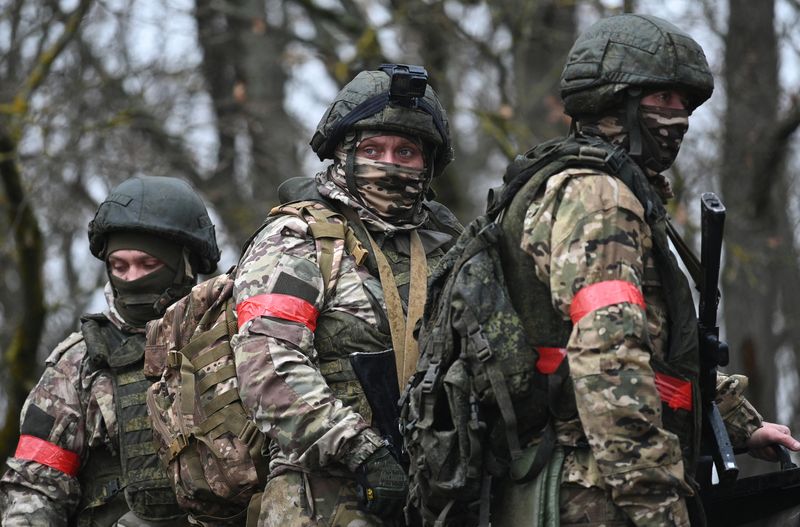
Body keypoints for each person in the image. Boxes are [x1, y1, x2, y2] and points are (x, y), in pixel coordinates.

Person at [487, 14, 800, 526]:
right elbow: (610, 365)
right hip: (595, 490)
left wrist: (742, 425)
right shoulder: (600, 199)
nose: (677, 118)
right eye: (661, 100)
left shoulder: (610, 191)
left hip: (600, 480)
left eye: (684, 104)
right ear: (616, 102)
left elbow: (657, 353)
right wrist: (656, 503)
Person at [231, 64, 462, 526]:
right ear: (342, 153)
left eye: (406, 151)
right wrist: (362, 451)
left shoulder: (449, 247)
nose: (389, 163)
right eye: (372, 149)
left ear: (427, 163)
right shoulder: (299, 237)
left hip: (436, 496)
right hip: (320, 496)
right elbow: (267, 362)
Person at [0, 175, 221, 526]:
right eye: (120, 266)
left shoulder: (234, 342)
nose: (132, 278)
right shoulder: (78, 364)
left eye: (148, 265)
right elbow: (35, 487)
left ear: (186, 265)